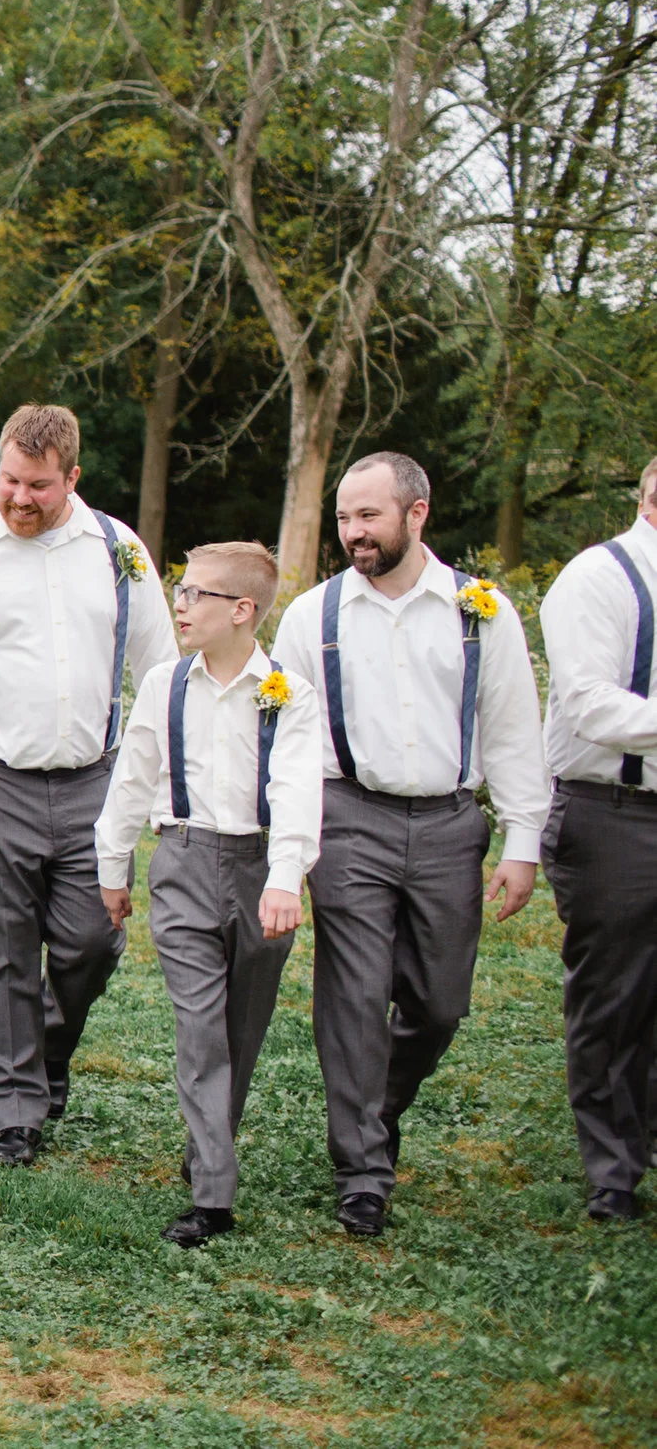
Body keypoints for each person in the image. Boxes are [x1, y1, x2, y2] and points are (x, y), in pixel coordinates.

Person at [271, 452, 549, 1237]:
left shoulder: (480, 612)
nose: (354, 532)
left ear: (417, 512)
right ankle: (361, 1167)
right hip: (348, 817)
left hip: (449, 823)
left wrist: (523, 838)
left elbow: (513, 729)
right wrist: (290, 844)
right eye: (345, 518)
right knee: (354, 998)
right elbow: (288, 743)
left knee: (438, 1003)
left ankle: (375, 1103)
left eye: (369, 516)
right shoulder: (311, 617)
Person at [0, 404, 177, 1166]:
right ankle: (16, 1110)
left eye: (39, 486)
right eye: (9, 480)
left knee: (94, 938)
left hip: (96, 781)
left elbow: (158, 672)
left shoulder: (119, 551)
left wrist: (148, 782)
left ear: (73, 479)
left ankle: (50, 1047)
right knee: (4, 953)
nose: (20, 498)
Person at [96, 541, 320, 1246]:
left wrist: (286, 878)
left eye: (197, 595)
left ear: (243, 611)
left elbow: (296, 788)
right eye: (180, 590)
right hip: (185, 863)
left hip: (260, 869)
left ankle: (207, 1144)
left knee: (241, 1031)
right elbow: (132, 777)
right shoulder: (166, 684)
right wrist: (113, 865)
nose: (181, 605)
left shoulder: (290, 692)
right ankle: (213, 1193)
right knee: (199, 1028)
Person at [533, 452, 657, 1224]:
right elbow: (587, 703)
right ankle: (614, 1171)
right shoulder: (599, 578)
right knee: (616, 994)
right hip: (616, 814)